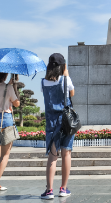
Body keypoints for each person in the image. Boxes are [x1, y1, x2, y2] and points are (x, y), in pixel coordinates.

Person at [40, 53, 75, 200]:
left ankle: (49, 191)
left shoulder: (43, 82)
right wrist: (66, 75)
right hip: (66, 122)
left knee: (52, 156)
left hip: (51, 123)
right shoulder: (65, 80)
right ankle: (63, 188)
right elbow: (72, 94)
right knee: (66, 154)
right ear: (62, 66)